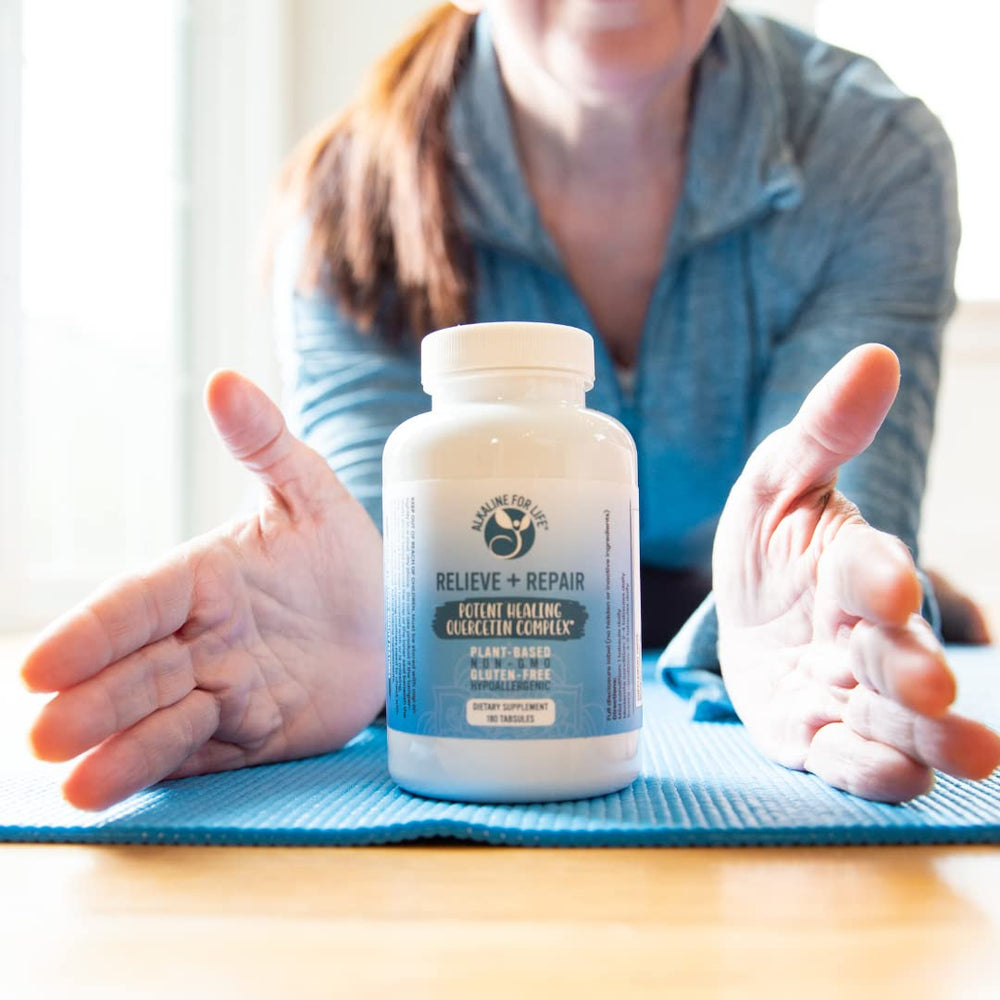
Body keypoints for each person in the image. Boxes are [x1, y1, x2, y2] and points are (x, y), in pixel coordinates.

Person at [20, 1, 999, 811]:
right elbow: (387, 559)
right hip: (494, 639)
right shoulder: (349, 199)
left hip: (749, 628)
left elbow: (833, 519)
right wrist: (364, 631)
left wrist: (800, 622)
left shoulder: (873, 153)